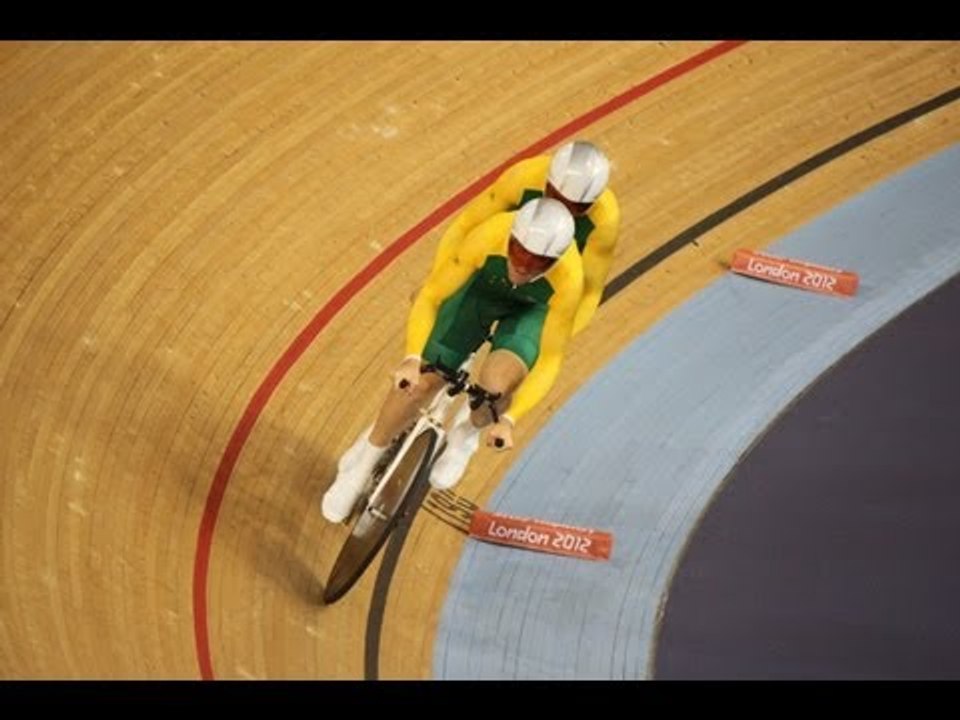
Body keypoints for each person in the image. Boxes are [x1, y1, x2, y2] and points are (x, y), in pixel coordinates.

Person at [322, 197, 583, 523]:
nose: (524, 266)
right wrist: (413, 357)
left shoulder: (570, 279)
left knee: (496, 388)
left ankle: (465, 436)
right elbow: (432, 296)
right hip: (480, 293)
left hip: (526, 314)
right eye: (518, 252)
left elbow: (549, 359)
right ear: (511, 237)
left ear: (555, 261)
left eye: (538, 263)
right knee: (418, 383)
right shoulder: (489, 235)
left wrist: (510, 419)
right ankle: (361, 467)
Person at [431, 140, 619, 337]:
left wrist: (556, 338)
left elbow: (589, 291)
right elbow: (464, 227)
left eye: (577, 207)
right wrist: (440, 277)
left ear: (592, 204)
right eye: (555, 196)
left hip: (549, 280)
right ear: (547, 181)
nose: (563, 209)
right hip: (504, 255)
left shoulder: (605, 220)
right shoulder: (524, 177)